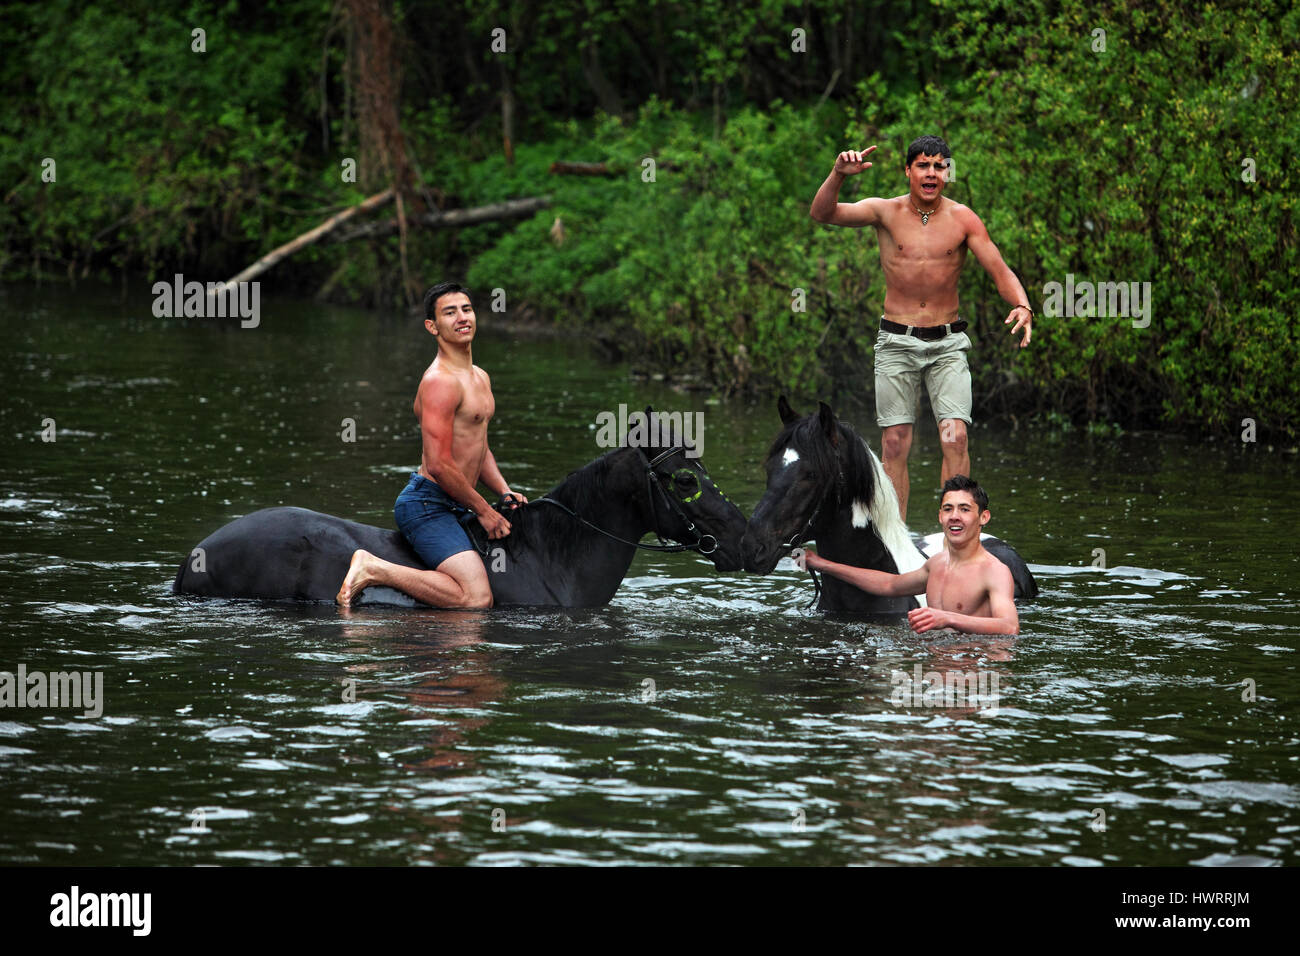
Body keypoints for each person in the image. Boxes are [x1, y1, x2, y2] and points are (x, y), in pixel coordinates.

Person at [810, 134, 1033, 522]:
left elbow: (998, 268)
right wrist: (837, 175)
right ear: (908, 171)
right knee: (895, 443)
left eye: (939, 166)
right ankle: (893, 538)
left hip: (947, 343)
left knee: (956, 436)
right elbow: (823, 213)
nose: (932, 173)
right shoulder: (885, 212)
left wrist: (1022, 303)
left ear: (947, 172)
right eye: (923, 165)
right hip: (896, 340)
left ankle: (955, 531)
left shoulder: (963, 218)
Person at [336, 282, 526, 608]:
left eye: (466, 309)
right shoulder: (440, 382)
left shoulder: (479, 376)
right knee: (476, 598)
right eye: (449, 313)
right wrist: (484, 511)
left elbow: (478, 446)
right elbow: (438, 463)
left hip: (458, 503)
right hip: (429, 505)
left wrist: (503, 493)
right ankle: (374, 567)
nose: (462, 318)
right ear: (432, 326)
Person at [797, 475, 1018, 635]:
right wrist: (821, 563)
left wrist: (948, 618)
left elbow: (1009, 627)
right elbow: (890, 585)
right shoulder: (937, 564)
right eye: (948, 509)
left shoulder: (994, 571)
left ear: (984, 517)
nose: (955, 517)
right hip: (936, 668)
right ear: (940, 516)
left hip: (975, 672)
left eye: (965, 509)